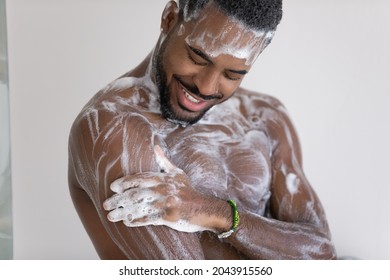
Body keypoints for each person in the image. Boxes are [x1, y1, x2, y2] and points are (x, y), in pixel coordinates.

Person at [68, 0, 337, 259]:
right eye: (198, 58)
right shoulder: (112, 129)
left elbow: (322, 254)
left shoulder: (264, 116)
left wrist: (216, 213)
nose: (207, 87)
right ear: (170, 18)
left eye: (232, 75)